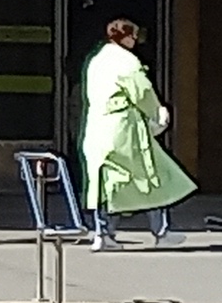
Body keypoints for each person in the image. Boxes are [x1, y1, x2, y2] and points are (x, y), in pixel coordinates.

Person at [80, 17, 191, 248]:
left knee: (106, 183)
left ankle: (103, 233)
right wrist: (158, 113)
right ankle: (161, 232)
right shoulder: (126, 61)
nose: (136, 40)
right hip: (124, 128)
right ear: (126, 37)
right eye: (133, 36)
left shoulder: (97, 59)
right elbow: (142, 92)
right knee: (150, 176)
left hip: (97, 127)